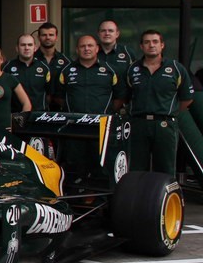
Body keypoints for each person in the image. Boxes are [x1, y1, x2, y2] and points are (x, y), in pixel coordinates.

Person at [126, 30, 194, 174]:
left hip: (165, 125)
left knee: (165, 168)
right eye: (147, 42)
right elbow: (125, 97)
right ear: (141, 46)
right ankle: (139, 196)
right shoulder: (132, 69)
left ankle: (164, 196)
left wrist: (169, 111)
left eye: (155, 42)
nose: (151, 45)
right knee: (136, 168)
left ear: (162, 45)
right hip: (138, 124)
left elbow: (187, 99)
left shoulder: (176, 68)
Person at [57, 35, 123, 114]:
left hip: (102, 121)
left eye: (90, 46)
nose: (86, 49)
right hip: (73, 120)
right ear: (77, 50)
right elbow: (58, 97)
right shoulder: (65, 71)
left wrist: (107, 112)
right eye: (82, 46)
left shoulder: (111, 70)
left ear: (97, 49)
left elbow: (120, 97)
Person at [7, 34, 50, 116]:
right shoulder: (7, 68)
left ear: (35, 48)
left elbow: (49, 94)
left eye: (30, 45)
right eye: (23, 45)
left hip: (39, 115)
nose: (26, 48)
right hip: (15, 115)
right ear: (17, 48)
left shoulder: (44, 67)